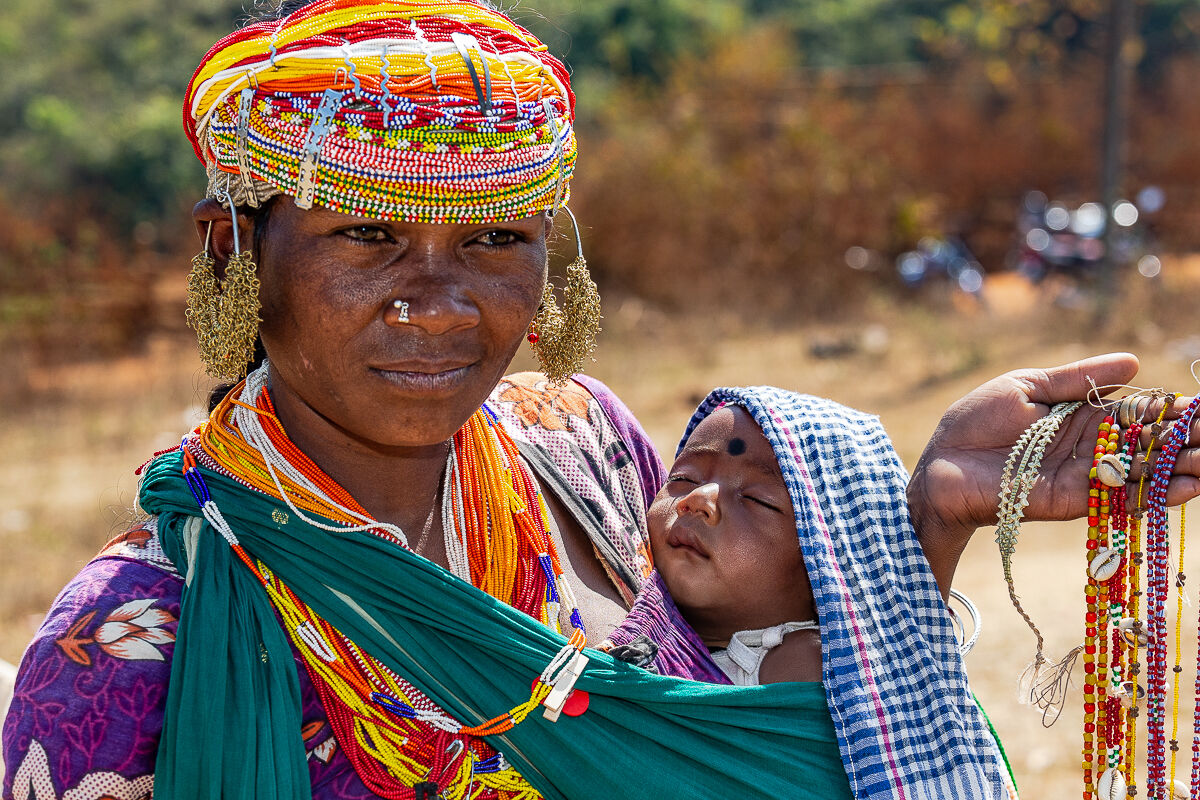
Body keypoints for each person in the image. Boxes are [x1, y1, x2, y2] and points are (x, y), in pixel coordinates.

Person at [3, 1, 1200, 798]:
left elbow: (764, 733)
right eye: (366, 236)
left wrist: (923, 520)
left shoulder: (584, 453)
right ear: (233, 250)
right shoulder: (124, 651)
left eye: (494, 239)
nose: (442, 304)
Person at [605, 388, 1020, 798]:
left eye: (756, 500)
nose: (698, 499)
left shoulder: (805, 662)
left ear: (826, 562)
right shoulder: (646, 631)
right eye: (683, 478)